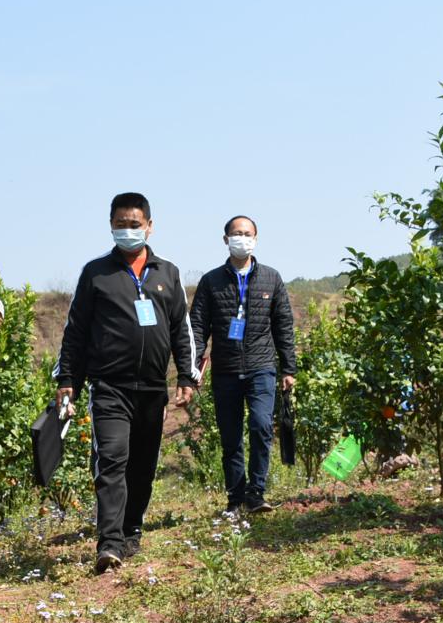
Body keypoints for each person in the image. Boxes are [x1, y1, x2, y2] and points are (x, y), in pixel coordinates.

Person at [56, 192, 199, 573]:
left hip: (152, 387)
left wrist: (186, 375)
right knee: (112, 459)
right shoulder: (96, 273)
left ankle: (131, 529)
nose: (128, 230)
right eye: (120, 223)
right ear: (110, 226)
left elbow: (180, 330)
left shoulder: (167, 273)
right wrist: (67, 379)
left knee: (142, 464)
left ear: (150, 226)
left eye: (135, 224)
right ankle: (110, 542)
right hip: (109, 386)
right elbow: (76, 331)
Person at [189, 215, 296, 514]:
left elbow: (283, 325)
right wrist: (194, 367)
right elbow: (198, 327)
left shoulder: (271, 278)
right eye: (236, 233)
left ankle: (256, 493)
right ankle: (236, 498)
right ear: (225, 239)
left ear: (256, 239)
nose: (242, 238)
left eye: (248, 233)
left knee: (262, 426)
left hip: (262, 366)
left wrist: (289, 368)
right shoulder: (211, 281)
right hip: (225, 370)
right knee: (231, 437)